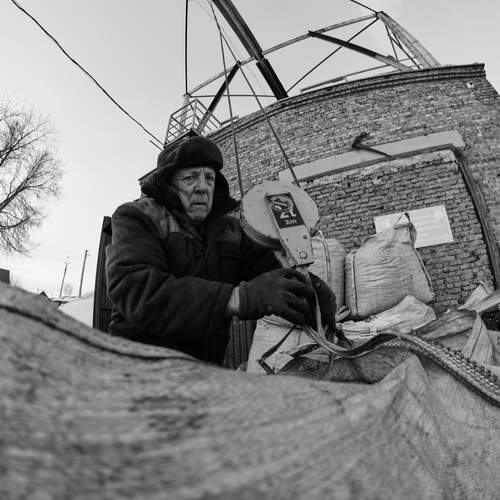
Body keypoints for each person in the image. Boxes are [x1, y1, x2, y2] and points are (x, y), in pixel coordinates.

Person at [106, 135, 336, 365]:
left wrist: (308, 291)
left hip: (204, 367)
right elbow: (137, 290)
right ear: (168, 184)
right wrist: (238, 297)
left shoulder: (231, 230)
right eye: (189, 178)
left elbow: (269, 270)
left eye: (209, 178)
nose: (202, 188)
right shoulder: (138, 217)